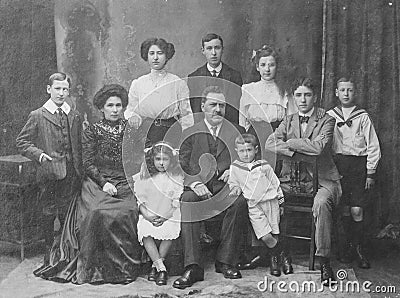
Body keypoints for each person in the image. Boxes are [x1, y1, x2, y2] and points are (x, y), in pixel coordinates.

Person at [32, 84, 142, 284]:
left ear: (124, 107)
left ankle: (123, 268)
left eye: (118, 105)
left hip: (125, 179)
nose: (115, 109)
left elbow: (136, 158)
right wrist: (104, 183)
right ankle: (97, 268)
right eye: (110, 105)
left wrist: (134, 176)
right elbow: (88, 163)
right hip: (98, 180)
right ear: (102, 108)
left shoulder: (131, 130)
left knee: (129, 210)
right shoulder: (93, 130)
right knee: (96, 212)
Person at [265, 77, 342, 285]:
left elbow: (318, 147)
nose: (302, 99)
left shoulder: (326, 119)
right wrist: (297, 150)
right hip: (293, 178)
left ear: (315, 97)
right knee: (265, 196)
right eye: (298, 95)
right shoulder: (288, 120)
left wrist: (290, 143)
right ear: (293, 98)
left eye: (307, 95)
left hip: (323, 180)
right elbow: (270, 143)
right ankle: (277, 252)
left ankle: (324, 261)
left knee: (321, 203)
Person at [173, 86, 247, 289]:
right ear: (203, 106)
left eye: (221, 105)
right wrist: (194, 183)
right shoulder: (190, 132)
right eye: (213, 104)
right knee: (187, 201)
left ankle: (225, 261)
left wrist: (235, 169)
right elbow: (179, 163)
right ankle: (193, 266)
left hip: (224, 188)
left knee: (239, 201)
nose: (217, 109)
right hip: (198, 189)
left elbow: (249, 157)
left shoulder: (237, 132)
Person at [16, 72, 83, 267]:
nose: (61, 93)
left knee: (67, 212)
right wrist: (38, 154)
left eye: (65, 89)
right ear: (49, 89)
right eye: (57, 89)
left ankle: (65, 249)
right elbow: (22, 142)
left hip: (71, 172)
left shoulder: (74, 114)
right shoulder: (38, 115)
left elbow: (77, 142)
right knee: (48, 212)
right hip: (49, 173)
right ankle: (49, 250)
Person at [327, 77, 381, 269]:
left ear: (354, 92)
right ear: (336, 92)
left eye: (350, 90)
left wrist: (370, 172)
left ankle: (359, 249)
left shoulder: (363, 117)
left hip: (359, 166)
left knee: (356, 209)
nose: (346, 94)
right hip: (338, 165)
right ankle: (344, 248)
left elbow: (373, 146)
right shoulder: (330, 115)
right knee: (342, 208)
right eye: (342, 90)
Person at [228, 133, 293, 277]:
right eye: (242, 151)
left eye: (249, 150)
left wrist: (281, 202)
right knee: (265, 236)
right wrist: (236, 188)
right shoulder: (235, 167)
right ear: (236, 151)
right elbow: (233, 183)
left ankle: (274, 261)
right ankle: (284, 254)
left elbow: (275, 183)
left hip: (271, 202)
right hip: (254, 206)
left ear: (256, 149)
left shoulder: (264, 165)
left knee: (274, 234)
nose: (246, 154)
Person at [124, 37, 193, 148]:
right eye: (152, 53)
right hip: (145, 133)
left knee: (169, 162)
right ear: (146, 56)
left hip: (171, 131)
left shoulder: (178, 83)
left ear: (166, 56)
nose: (155, 58)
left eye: (160, 53)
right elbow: (130, 109)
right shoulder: (138, 83)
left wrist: (186, 140)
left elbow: (186, 115)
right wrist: (134, 116)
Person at [133, 141, 183, 286]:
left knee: (169, 230)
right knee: (145, 231)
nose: (161, 163)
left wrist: (165, 216)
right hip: (149, 213)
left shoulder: (175, 178)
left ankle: (157, 267)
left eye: (165, 159)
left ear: (171, 160)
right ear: (152, 160)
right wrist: (147, 215)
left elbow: (176, 201)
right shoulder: (145, 177)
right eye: (158, 159)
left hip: (168, 213)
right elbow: (140, 199)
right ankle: (161, 268)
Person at [188, 33, 243, 124]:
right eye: (209, 48)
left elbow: (236, 108)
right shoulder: (194, 78)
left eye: (217, 48)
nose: (213, 53)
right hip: (204, 130)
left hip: (228, 129)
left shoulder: (234, 76)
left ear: (222, 50)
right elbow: (195, 110)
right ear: (203, 50)